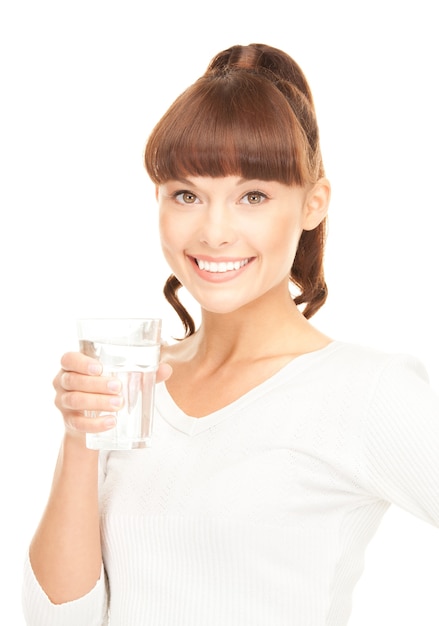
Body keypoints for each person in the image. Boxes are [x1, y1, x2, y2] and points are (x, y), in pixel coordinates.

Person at [22, 43, 439, 626]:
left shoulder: (365, 390)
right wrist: (79, 440)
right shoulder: (135, 381)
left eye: (253, 196)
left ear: (313, 204)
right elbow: (57, 620)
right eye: (186, 195)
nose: (214, 231)